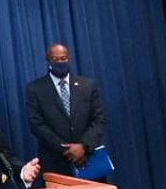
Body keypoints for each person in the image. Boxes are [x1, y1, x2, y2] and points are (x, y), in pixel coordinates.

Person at [25, 43, 108, 178]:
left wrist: (83, 146)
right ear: (48, 60)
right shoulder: (35, 89)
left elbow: (99, 119)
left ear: (68, 58)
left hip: (88, 158)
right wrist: (67, 149)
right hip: (55, 161)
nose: (60, 62)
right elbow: (36, 124)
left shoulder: (87, 85)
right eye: (55, 59)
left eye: (63, 58)